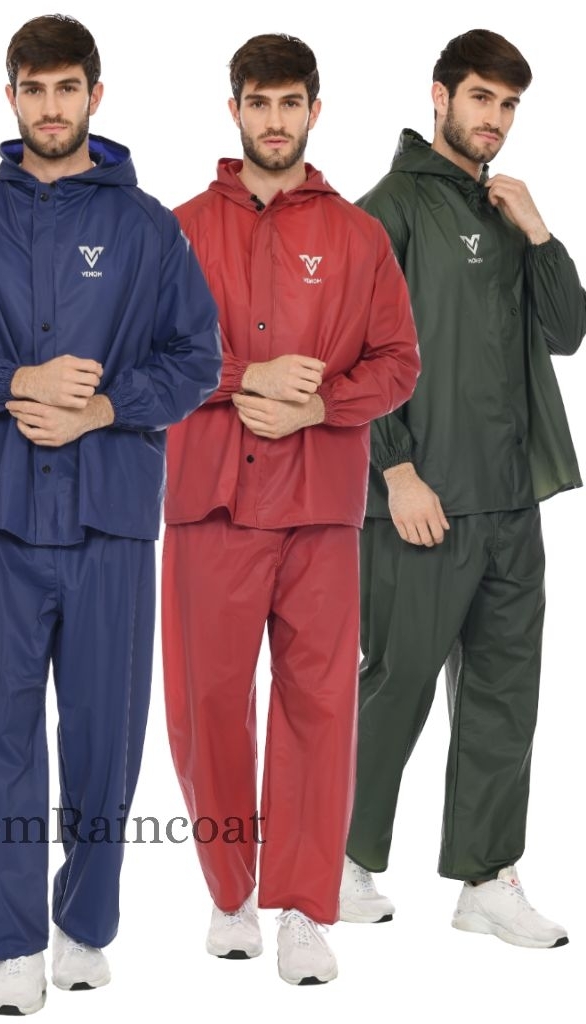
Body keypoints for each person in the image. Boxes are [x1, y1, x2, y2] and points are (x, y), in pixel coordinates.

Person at [0, 13, 219, 1015]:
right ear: (10, 98)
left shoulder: (149, 229)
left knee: (103, 735)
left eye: (66, 88)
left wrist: (102, 407)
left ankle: (84, 924)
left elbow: (197, 361)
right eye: (32, 89)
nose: (50, 107)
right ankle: (11, 947)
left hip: (110, 516)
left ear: (95, 95)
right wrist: (20, 382)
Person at [162, 33, 419, 986]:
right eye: (259, 103)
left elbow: (399, 362)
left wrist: (321, 406)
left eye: (290, 103)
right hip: (211, 503)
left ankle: (306, 907)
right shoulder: (179, 229)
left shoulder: (359, 236)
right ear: (234, 110)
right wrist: (246, 377)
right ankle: (230, 891)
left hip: (318, 509)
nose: (275, 121)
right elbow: (146, 355)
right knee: (207, 708)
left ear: (315, 110)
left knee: (318, 707)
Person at [341, 28, 584, 949]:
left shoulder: (506, 209)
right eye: (482, 97)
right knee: (396, 683)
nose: (496, 119)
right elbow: (349, 354)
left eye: (509, 104)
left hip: (512, 499)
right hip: (423, 502)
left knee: (504, 696)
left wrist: (540, 233)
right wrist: (396, 469)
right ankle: (340, 858)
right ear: (439, 96)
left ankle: (487, 878)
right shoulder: (387, 210)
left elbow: (567, 332)